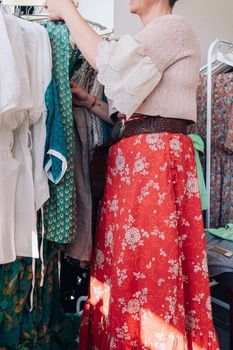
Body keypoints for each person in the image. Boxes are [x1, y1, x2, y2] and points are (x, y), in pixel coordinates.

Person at [45, 0, 219, 349]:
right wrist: (93, 104)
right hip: (136, 161)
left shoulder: (172, 27)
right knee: (129, 264)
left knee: (149, 264)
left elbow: (110, 63)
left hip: (153, 164)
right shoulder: (151, 38)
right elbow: (137, 116)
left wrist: (68, 10)